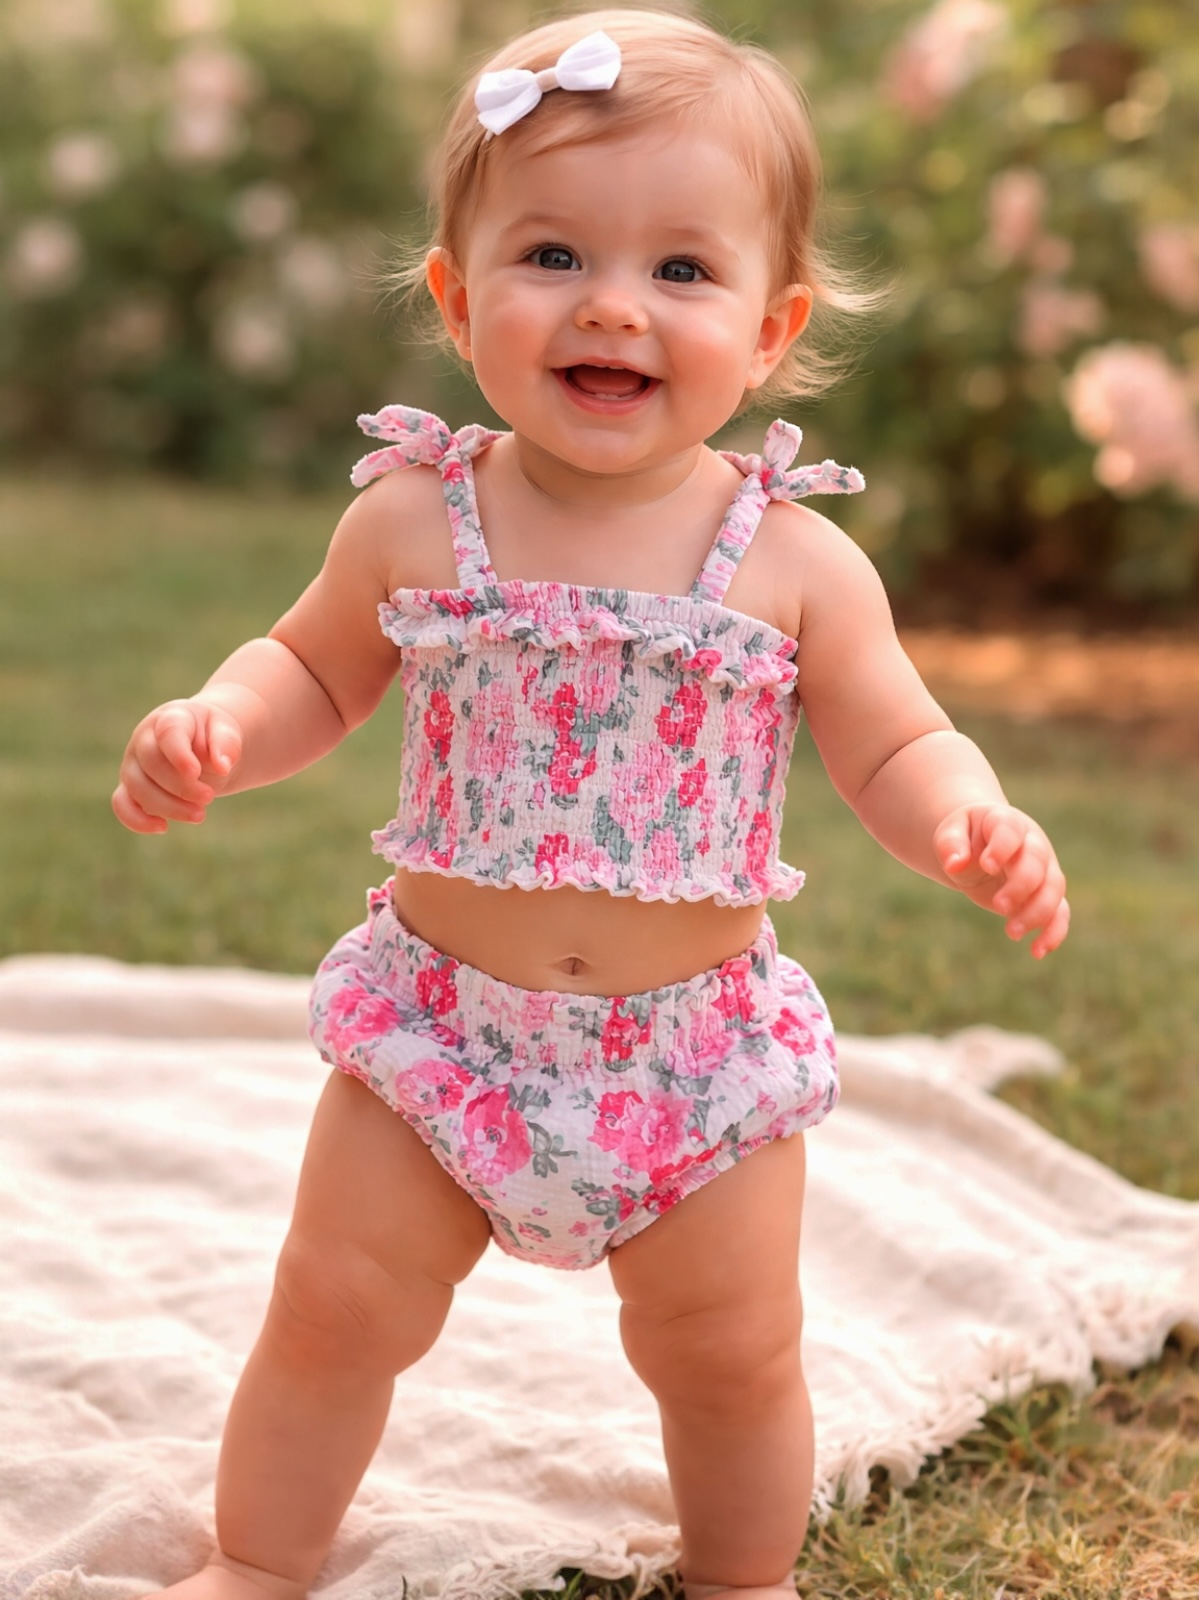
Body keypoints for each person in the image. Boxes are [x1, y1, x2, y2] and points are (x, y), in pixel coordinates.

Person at [112, 11, 1069, 1599]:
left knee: (729, 1352)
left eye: (680, 273)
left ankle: (740, 1577)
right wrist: (219, 723)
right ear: (454, 293)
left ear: (770, 328)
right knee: (332, 1305)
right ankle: (262, 1562)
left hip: (693, 1064)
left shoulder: (793, 564)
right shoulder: (418, 517)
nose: (612, 304)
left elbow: (898, 746)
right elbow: (311, 670)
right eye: (551, 252)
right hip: (439, 1039)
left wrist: (968, 818)